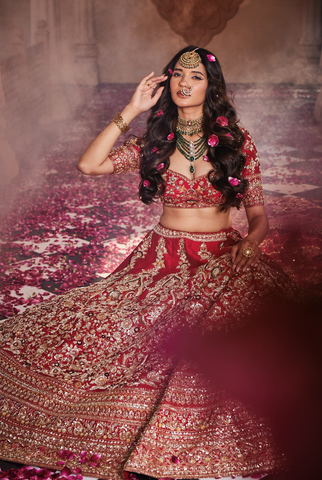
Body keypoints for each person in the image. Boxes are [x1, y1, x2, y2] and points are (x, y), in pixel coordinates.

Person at [0, 46, 300, 480]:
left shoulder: (237, 143)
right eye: (177, 74)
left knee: (226, 339)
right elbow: (89, 164)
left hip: (223, 257)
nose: (184, 83)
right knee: (108, 332)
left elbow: (258, 218)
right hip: (160, 260)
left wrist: (250, 245)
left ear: (210, 86)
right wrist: (131, 108)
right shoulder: (154, 143)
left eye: (195, 77)